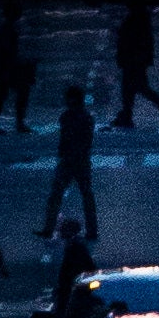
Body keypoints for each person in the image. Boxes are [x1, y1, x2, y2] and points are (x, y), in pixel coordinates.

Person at [38, 85, 99, 239]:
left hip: (70, 161)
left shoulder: (67, 117)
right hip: (80, 161)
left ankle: (48, 228)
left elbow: (66, 140)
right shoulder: (86, 118)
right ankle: (92, 230)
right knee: (86, 196)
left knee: (57, 195)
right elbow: (86, 141)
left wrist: (64, 155)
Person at [112, 3, 159, 128]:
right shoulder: (140, 18)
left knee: (133, 88)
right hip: (136, 60)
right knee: (135, 88)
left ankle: (129, 116)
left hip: (133, 60)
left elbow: (131, 40)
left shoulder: (137, 19)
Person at [0, 7, 38, 135]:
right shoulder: (7, 30)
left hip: (5, 67)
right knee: (16, 93)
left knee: (3, 94)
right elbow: (8, 50)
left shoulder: (5, 28)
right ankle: (17, 123)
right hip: (7, 67)